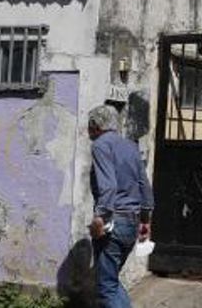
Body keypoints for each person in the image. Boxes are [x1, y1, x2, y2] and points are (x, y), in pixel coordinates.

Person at [87, 105, 153, 308]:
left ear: (95, 125)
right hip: (132, 223)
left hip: (113, 221)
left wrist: (100, 216)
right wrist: (145, 220)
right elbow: (144, 184)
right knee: (111, 281)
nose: (87, 130)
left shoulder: (100, 145)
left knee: (106, 286)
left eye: (89, 125)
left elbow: (108, 186)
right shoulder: (130, 146)